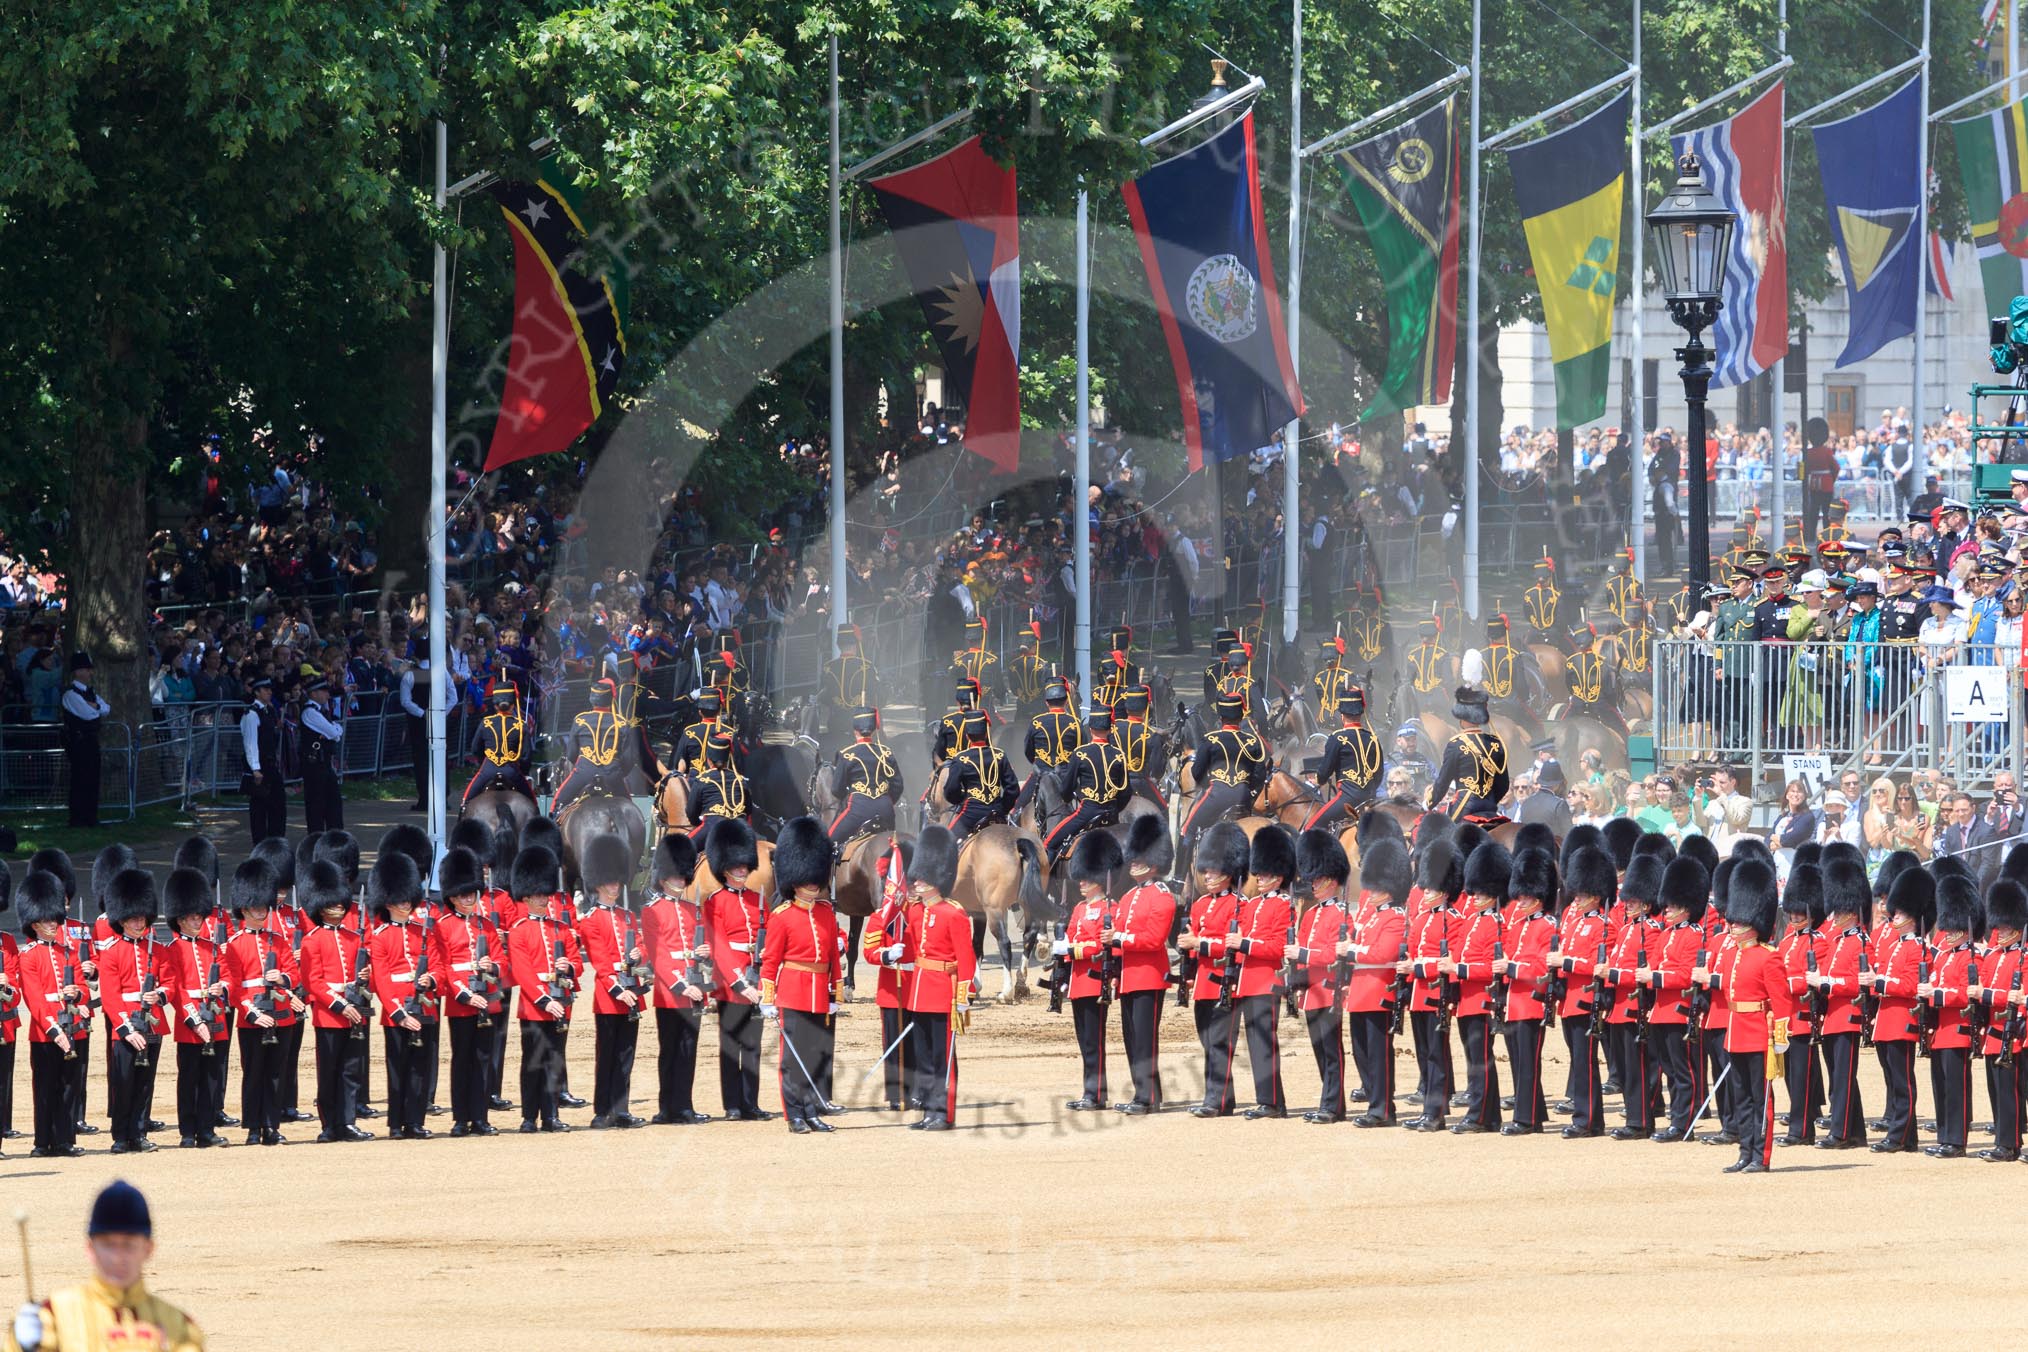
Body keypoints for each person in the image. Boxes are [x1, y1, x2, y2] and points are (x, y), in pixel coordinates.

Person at [7, 1180, 205, 1352]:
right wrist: (21, 1346)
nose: (118, 1258)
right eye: (108, 1245)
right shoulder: (52, 1318)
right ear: (90, 1248)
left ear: (148, 1249)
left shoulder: (179, 1327)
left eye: (128, 1245)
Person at [760, 817, 843, 1134]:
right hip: (793, 992)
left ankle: (811, 1111)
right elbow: (771, 962)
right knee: (792, 1058)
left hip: (819, 992)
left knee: (812, 1056)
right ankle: (794, 1113)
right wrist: (768, 999)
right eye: (806, 877)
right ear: (794, 878)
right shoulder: (781, 916)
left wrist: (835, 994)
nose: (812, 883)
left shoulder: (826, 913)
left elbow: (834, 959)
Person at [900, 825, 978, 1131]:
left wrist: (963, 996)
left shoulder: (953, 913)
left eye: (921, 876)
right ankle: (928, 1110)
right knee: (924, 1057)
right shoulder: (916, 912)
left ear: (936, 878)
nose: (916, 881)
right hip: (919, 992)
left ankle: (944, 1113)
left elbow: (966, 958)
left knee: (943, 1056)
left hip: (943, 991)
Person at [506, 845, 580, 1133]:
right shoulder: (519, 929)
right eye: (537, 895)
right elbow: (523, 971)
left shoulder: (560, 927)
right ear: (526, 897)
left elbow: (576, 962)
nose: (543, 899)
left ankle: (551, 1115)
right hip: (535, 1007)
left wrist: (569, 967)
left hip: (561, 1003)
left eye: (545, 894)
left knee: (553, 1062)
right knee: (533, 1063)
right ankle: (528, 1116)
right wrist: (544, 999)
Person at [96, 869, 169, 1155]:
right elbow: (111, 997)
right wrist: (126, 1029)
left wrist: (159, 994)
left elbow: (171, 983)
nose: (139, 923)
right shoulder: (112, 952)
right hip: (125, 1026)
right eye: (133, 919)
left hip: (152, 1023)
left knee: (144, 1083)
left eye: (142, 918)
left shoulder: (158, 950)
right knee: (123, 1082)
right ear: (122, 920)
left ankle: (139, 1133)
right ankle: (120, 1135)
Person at [1178, 823, 1249, 1119]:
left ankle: (1215, 1100)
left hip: (1225, 982)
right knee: (1208, 1042)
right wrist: (1186, 947)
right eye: (1205, 871)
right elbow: (1195, 941)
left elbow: (1233, 946)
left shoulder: (1240, 905)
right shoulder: (1200, 905)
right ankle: (1223, 1098)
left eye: (1213, 871)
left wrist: (1199, 943)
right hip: (1204, 984)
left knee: (1220, 1043)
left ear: (1229, 873)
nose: (1207, 876)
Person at [434, 845, 505, 1137]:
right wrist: (465, 994)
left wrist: (493, 966)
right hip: (461, 1002)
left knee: (483, 1060)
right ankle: (461, 1118)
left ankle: (481, 1117)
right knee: (462, 1059)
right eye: (463, 894)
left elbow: (502, 960)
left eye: (472, 893)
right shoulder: (443, 926)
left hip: (487, 1000)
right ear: (452, 897)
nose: (468, 898)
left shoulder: (486, 925)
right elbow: (445, 966)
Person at [365, 853, 437, 1141]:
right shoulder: (381, 936)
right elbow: (381, 978)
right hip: (397, 1011)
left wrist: (431, 978)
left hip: (424, 1005)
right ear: (389, 902)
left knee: (420, 1068)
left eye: (409, 899)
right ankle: (396, 1123)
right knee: (398, 1069)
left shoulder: (423, 932)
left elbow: (438, 964)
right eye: (401, 900)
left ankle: (415, 1121)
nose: (406, 905)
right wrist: (398, 1012)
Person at [1227, 826, 1295, 1120]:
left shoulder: (1284, 905)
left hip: (1267, 981)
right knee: (1254, 1044)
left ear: (1278, 877)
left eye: (1265, 875)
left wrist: (1244, 943)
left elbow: (1277, 948)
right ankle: (1267, 1099)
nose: (1260, 879)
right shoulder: (1251, 904)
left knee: (1265, 1043)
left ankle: (1273, 1102)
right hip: (1246, 981)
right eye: (1259, 873)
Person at [643, 835, 712, 1125]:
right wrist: (683, 985)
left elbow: (702, 950)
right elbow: (657, 955)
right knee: (669, 1050)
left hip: (694, 989)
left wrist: (705, 954)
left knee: (688, 1050)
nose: (682, 881)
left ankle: (684, 1105)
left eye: (684, 876)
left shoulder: (692, 910)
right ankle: (666, 1107)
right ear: (663, 879)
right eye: (676, 876)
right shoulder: (651, 911)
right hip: (671, 992)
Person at [1806, 859, 1874, 1150]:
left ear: (1850, 910)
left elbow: (1857, 982)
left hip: (1848, 1015)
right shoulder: (1837, 941)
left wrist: (1827, 984)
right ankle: (1855, 1131)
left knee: (1843, 1079)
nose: (1834, 914)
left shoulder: (1861, 941)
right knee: (1839, 1076)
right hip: (1833, 1016)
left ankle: (1841, 1132)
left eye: (1840, 908)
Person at [702, 821, 768, 1122]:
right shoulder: (714, 902)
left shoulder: (759, 900)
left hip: (757, 976)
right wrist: (741, 983)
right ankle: (732, 1104)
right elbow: (719, 947)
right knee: (731, 1046)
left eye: (745, 867)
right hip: (731, 984)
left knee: (752, 1046)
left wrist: (765, 967)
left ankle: (750, 1103)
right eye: (736, 867)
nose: (742, 871)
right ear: (724, 868)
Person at [1113, 817, 1177, 1115]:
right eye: (1133, 859)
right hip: (1128, 976)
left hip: (1150, 977)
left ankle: (1146, 1096)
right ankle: (1147, 1092)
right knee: (1131, 1039)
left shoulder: (1162, 897)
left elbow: (1153, 940)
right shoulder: (1127, 897)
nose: (1134, 864)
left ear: (1154, 863)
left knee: (1145, 1040)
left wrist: (1118, 937)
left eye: (1140, 860)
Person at [16, 872, 83, 1159]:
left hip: (72, 1026)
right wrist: (55, 1032)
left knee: (69, 1087)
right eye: (47, 920)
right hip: (46, 1034)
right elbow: (34, 999)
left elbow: (81, 984)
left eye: (54, 919)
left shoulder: (68, 952)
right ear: (34, 924)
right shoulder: (28, 956)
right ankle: (43, 1142)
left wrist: (76, 992)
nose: (53, 923)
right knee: (45, 1088)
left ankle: (65, 1139)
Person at [160, 868, 228, 1149]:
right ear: (180, 919)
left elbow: (228, 976)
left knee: (212, 1077)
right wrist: (195, 1019)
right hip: (190, 1024)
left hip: (216, 1019)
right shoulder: (171, 950)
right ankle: (188, 1131)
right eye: (192, 917)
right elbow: (175, 990)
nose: (197, 921)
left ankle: (207, 1129)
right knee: (189, 1078)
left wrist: (221, 989)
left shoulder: (212, 948)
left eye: (199, 916)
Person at [1346, 839, 1411, 1127]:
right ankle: (1374, 1100)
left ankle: (1383, 1108)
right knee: (1361, 1051)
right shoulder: (1372, 918)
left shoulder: (1395, 918)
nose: (1369, 891)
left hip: (1378, 992)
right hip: (1360, 991)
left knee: (1378, 1054)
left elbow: (1383, 954)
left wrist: (1350, 950)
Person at [1867, 866, 1932, 1154]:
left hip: (1902, 1021)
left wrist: (1879, 981)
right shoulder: (1897, 946)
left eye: (1900, 914)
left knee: (1902, 1082)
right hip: (1887, 1020)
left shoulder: (1917, 948)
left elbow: (1909, 986)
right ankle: (1908, 1136)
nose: (1894, 917)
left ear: (1913, 918)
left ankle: (1898, 1135)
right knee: (1894, 1080)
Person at [1289, 829, 1352, 1124]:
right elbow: (1304, 948)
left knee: (1331, 1050)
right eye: (1312, 878)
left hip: (1329, 990)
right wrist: (1298, 982)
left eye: (1319, 878)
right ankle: (1328, 1100)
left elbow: (1331, 955)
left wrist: (1301, 955)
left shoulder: (1341, 913)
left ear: (1333, 879)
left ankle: (1334, 1105)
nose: (1313, 883)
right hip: (1311, 991)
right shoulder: (1311, 914)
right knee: (1318, 1049)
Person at [1059, 831, 1124, 1112]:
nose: (1082, 882)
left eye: (1087, 878)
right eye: (1081, 877)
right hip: (1077, 982)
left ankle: (1096, 1093)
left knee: (1094, 1041)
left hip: (1096, 981)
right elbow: (1072, 936)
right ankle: (1090, 1090)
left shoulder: (1111, 908)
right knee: (1084, 1041)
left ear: (1099, 878)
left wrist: (1073, 949)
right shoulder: (1078, 909)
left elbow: (1100, 945)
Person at [1401, 841, 1463, 1131]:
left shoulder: (1454, 920)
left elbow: (1447, 960)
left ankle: (1435, 1112)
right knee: (1424, 1052)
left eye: (1430, 887)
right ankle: (1432, 1104)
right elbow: (1413, 953)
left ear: (1444, 889)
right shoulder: (1422, 919)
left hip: (1438, 994)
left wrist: (1416, 967)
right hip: (1418, 995)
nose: (1424, 892)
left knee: (1437, 1053)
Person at [1448, 842, 1510, 1135]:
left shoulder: (1496, 924)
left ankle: (1480, 1115)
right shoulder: (1472, 920)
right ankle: (1491, 1114)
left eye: (1482, 892)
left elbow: (1490, 968)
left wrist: (1458, 970)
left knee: (1480, 1060)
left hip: (1483, 1000)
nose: (1476, 897)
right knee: (1473, 1058)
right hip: (1465, 1000)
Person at [1498, 848, 1561, 1135]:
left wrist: (1510, 968)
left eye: (1525, 897)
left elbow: (1539, 968)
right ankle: (1535, 1112)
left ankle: (1526, 1118)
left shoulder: (1547, 926)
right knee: (1518, 1060)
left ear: (1538, 897)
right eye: (1520, 895)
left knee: (1527, 1063)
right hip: (1514, 1002)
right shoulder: (1521, 924)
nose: (1520, 901)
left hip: (1532, 1002)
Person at [1556, 845, 1617, 1138]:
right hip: (1570, 1000)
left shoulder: (1603, 926)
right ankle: (1588, 1117)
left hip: (1587, 1000)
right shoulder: (1575, 922)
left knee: (1585, 1060)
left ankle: (1587, 1118)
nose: (1575, 898)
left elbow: (1596, 964)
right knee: (1577, 1060)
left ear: (1595, 896)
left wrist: (1565, 962)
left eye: (1581, 894)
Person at [1179, 694, 1266, 874]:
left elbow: (1196, 773)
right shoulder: (1252, 741)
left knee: (1188, 828)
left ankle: (1179, 879)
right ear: (1241, 717)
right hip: (1243, 799)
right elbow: (1259, 776)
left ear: (1220, 718)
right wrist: (1248, 795)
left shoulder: (1210, 740)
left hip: (1216, 797)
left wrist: (1206, 783)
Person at [1972, 879, 2027, 1160]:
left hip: (2012, 1031)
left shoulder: (2024, 957)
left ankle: (2010, 1143)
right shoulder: (1994, 956)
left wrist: (1987, 994)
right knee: (1995, 1089)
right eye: (1999, 926)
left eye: (2006, 926)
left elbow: (2019, 996)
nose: (2000, 931)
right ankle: (2002, 1139)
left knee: (2010, 1091)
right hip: (1992, 1031)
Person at [1042, 709, 1129, 866]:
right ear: (1110, 730)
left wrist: (1067, 798)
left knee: (1049, 843)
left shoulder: (1080, 753)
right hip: (1111, 815)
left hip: (1086, 814)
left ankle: (1044, 886)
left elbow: (1066, 788)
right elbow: (1126, 792)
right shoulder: (1119, 755)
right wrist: (1114, 808)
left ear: (1090, 729)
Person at [1305, 686, 1382, 832]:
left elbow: (1325, 771)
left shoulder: (1337, 738)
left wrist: (1319, 780)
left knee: (1310, 829)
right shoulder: (1373, 738)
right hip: (1371, 800)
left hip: (1347, 800)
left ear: (1342, 716)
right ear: (1360, 714)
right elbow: (1378, 775)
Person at [1428, 687, 1509, 824]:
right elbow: (1503, 784)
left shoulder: (1456, 744)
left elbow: (1443, 781)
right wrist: (1490, 800)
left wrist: (1429, 803)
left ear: (1462, 718)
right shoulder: (1495, 742)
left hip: (1465, 806)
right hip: (1490, 806)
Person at [551, 679, 629, 818]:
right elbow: (629, 757)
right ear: (611, 699)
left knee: (558, 802)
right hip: (612, 775)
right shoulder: (622, 723)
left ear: (592, 699)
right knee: (630, 809)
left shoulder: (580, 719)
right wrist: (618, 772)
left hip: (584, 774)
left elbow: (571, 754)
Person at [825, 707, 901, 844]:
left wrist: (847, 797)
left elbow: (836, 789)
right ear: (873, 730)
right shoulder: (887, 752)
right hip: (886, 812)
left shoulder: (846, 754)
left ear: (855, 731)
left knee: (828, 842)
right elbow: (898, 786)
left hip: (858, 811)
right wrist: (885, 801)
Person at [942, 710, 1017, 844]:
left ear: (967, 736)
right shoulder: (999, 755)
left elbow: (950, 790)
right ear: (986, 733)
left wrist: (961, 799)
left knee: (946, 843)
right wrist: (1003, 808)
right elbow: (1013, 789)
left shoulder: (961, 759)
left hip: (971, 814)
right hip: (997, 813)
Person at [1012, 678, 1082, 821]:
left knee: (1017, 807)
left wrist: (1039, 763)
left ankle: (1015, 816)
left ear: (1046, 702)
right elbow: (1082, 752)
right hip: (1067, 774)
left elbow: (1028, 751)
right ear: (1066, 701)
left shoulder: (1036, 722)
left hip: (1041, 773)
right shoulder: (1075, 723)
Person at [58, 652, 110, 829]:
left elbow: (105, 708)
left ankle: (91, 817)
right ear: (79, 671)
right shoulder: (71, 694)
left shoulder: (90, 693)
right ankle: (78, 818)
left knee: (93, 778)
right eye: (87, 670)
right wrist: (95, 709)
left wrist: (95, 707)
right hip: (78, 742)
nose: (90, 673)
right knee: (80, 779)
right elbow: (89, 716)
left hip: (91, 741)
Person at [462, 685, 532, 804]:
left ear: (495, 706)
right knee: (532, 802)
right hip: (511, 771)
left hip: (488, 770)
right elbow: (526, 757)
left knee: (466, 800)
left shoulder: (485, 722)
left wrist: (481, 763)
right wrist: (524, 772)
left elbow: (474, 749)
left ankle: (461, 817)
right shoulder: (521, 725)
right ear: (513, 705)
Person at [238, 677, 285, 841]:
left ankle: (276, 839)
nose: (269, 692)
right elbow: (250, 742)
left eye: (270, 689)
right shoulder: (251, 714)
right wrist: (255, 768)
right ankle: (260, 842)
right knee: (259, 806)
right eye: (265, 689)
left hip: (270, 762)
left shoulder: (269, 711)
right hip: (260, 764)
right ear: (257, 692)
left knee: (277, 803)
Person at [299, 678, 345, 834]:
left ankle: (335, 837)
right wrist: (334, 731)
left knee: (333, 804)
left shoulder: (321, 711)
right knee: (316, 806)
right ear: (313, 693)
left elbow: (337, 732)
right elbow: (334, 733)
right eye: (324, 691)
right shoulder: (310, 712)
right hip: (314, 765)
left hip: (324, 763)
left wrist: (334, 731)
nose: (327, 694)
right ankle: (315, 839)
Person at [686, 733, 751, 840]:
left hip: (713, 827)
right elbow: (748, 811)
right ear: (727, 758)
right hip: (741, 831)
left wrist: (698, 823)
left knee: (683, 848)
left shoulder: (702, 780)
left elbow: (691, 813)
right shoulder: (740, 780)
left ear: (708, 759)